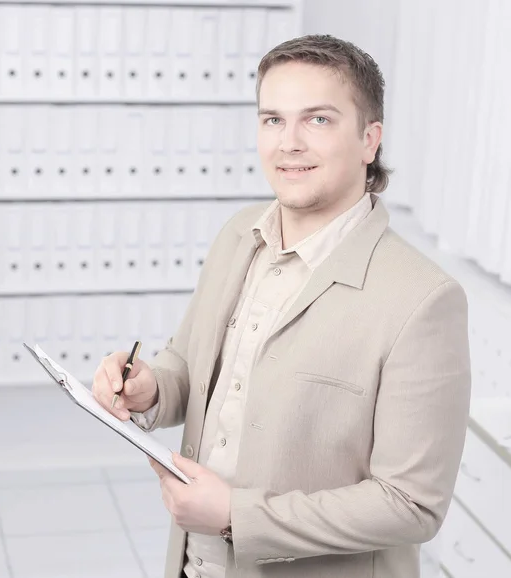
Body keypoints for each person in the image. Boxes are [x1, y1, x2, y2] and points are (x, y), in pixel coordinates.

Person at [92, 34, 471, 578]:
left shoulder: (424, 300)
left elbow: (411, 504)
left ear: (370, 140)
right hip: (195, 564)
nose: (288, 143)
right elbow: (191, 366)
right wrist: (151, 387)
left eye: (317, 120)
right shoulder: (238, 235)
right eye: (272, 119)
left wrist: (234, 517)